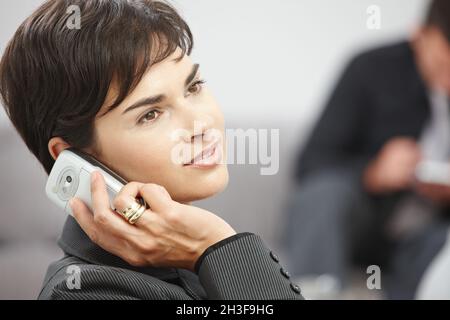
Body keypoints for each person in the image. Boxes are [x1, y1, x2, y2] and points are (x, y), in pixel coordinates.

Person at [0, 0, 303, 300]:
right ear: (74, 156)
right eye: (151, 114)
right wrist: (216, 244)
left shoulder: (183, 261)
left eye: (193, 87)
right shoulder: (84, 293)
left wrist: (208, 249)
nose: (201, 124)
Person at [283, 0, 450, 299]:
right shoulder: (371, 68)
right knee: (323, 193)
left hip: (430, 236)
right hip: (364, 222)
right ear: (419, 36)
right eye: (441, 66)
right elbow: (310, 163)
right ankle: (316, 293)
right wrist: (373, 173)